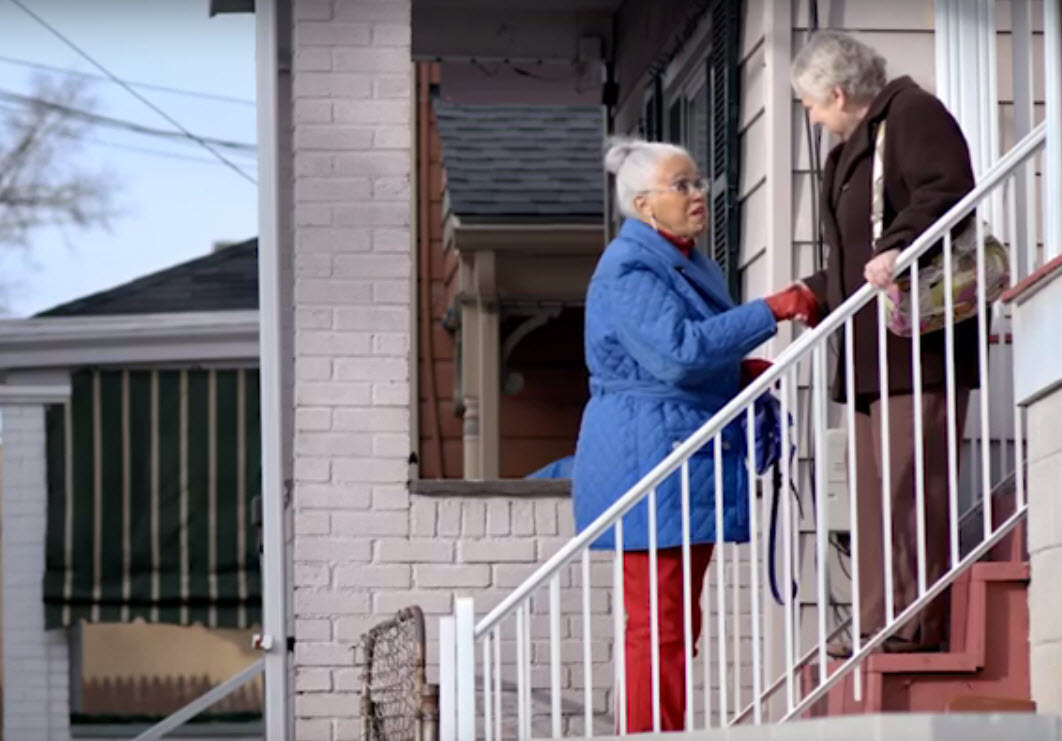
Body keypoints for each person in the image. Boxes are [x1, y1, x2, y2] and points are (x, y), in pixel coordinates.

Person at [571, 136, 812, 732]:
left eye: (698, 181)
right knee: (659, 621)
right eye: (683, 185)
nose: (699, 193)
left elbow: (685, 357)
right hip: (650, 461)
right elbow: (677, 354)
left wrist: (740, 371)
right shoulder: (629, 266)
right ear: (645, 204)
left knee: (675, 622)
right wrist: (771, 310)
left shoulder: (678, 260)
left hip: (679, 452)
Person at [783, 30, 979, 655]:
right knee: (871, 496)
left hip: (916, 344)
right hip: (867, 352)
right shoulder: (847, 151)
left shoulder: (913, 113)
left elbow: (946, 192)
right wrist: (811, 294)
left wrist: (898, 241)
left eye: (811, 105)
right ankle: (877, 621)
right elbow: (850, 253)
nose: (812, 117)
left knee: (909, 483)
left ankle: (916, 622)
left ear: (838, 93)